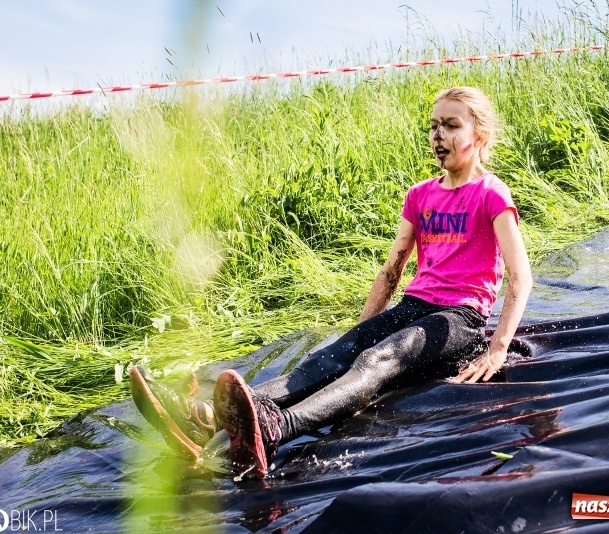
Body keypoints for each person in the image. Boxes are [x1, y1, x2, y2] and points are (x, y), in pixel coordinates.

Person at [130, 86, 533, 479]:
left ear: (478, 136)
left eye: (451, 126)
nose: (438, 135)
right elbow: (391, 270)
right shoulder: (420, 195)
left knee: (377, 360)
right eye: (433, 126)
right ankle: (204, 422)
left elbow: (520, 277)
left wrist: (496, 349)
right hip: (414, 305)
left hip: (458, 317)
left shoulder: (491, 193)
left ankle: (276, 428)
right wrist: (359, 330)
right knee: (335, 354)